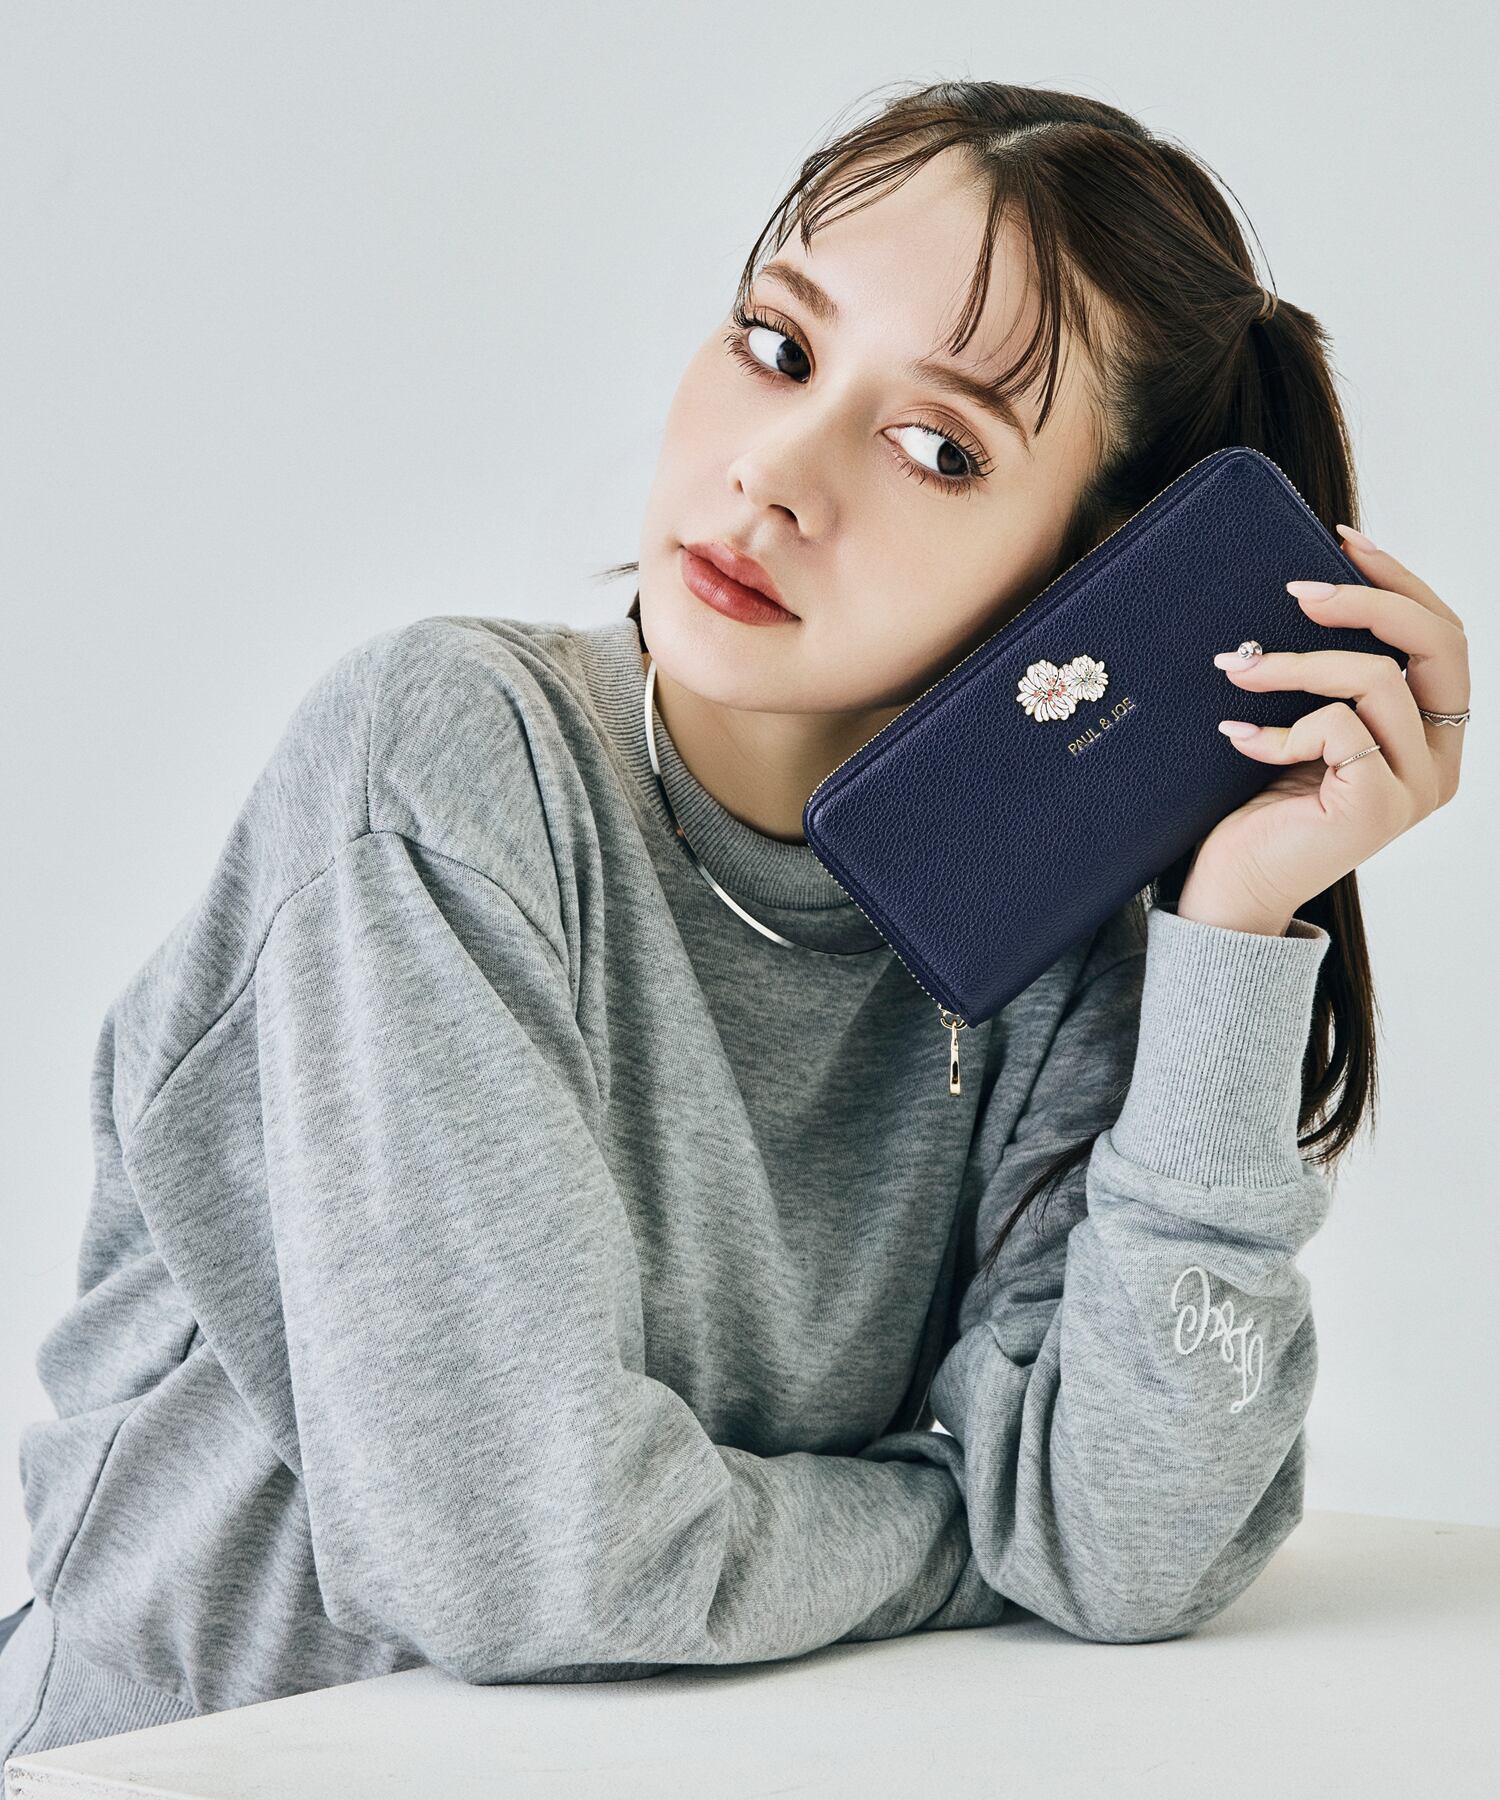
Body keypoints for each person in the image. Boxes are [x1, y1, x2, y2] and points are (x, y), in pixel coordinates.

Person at [0, 80, 1469, 1764]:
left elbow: (1133, 1544)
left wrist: (1238, 930)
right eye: (778, 347)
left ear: (1098, 578)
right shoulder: (449, 765)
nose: (774, 472)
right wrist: (962, 1521)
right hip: (158, 1766)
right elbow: (533, 1560)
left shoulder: (1054, 970)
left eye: (939, 449)